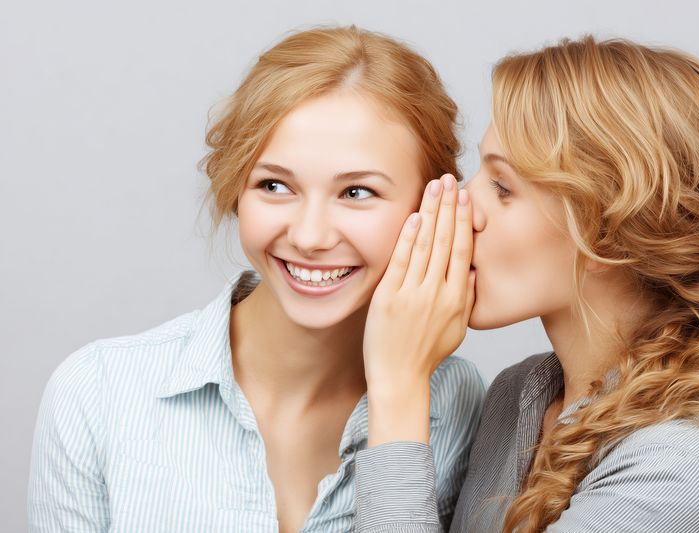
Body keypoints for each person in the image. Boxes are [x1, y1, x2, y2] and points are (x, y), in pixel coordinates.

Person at [28, 26, 485, 532]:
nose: (310, 237)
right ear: (234, 190)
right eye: (275, 185)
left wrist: (400, 393)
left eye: (357, 192)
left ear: (434, 207)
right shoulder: (97, 393)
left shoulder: (458, 403)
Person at [357, 36, 699, 532]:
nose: (459, 205)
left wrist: (397, 386)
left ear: (606, 232)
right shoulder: (519, 396)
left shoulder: (685, 475)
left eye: (501, 187)